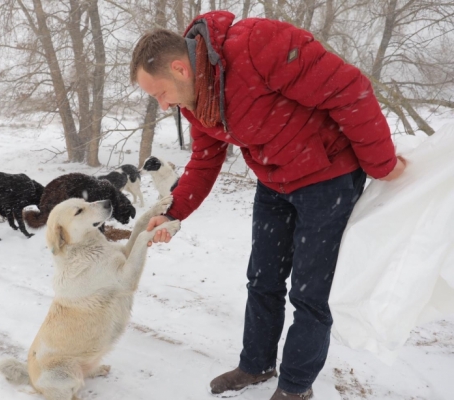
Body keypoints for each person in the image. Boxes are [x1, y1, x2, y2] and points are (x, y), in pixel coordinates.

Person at [130, 11, 406, 400]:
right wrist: (173, 212)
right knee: (263, 280)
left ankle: (295, 387)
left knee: (310, 294)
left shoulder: (257, 45)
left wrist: (383, 165)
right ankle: (256, 364)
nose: (162, 105)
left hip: (327, 178)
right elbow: (206, 161)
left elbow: (348, 89)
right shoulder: (197, 100)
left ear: (180, 68)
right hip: (274, 180)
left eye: (159, 93)